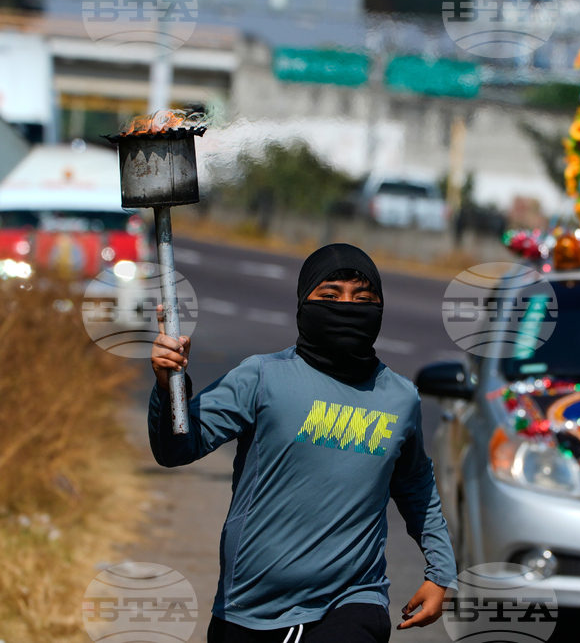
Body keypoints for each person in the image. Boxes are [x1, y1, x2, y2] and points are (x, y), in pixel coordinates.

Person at [149, 244, 456, 643]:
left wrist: (440, 572)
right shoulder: (260, 378)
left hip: (353, 599)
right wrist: (167, 382)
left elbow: (417, 487)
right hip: (249, 608)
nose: (347, 307)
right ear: (303, 304)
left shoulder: (400, 398)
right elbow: (175, 449)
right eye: (330, 296)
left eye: (363, 299)